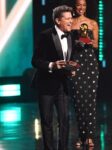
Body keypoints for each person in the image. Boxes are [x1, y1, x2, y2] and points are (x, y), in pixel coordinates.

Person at [31, 5, 74, 150]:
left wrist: (70, 69)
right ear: (57, 21)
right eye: (67, 18)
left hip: (62, 85)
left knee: (65, 121)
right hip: (46, 85)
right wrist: (52, 65)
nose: (70, 21)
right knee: (47, 121)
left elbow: (66, 59)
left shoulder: (70, 36)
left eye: (71, 18)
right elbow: (35, 60)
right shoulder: (45, 35)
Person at [70, 0, 99, 147]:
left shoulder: (92, 23)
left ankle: (89, 136)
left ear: (86, 7)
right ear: (75, 7)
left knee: (90, 101)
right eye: (78, 5)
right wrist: (75, 42)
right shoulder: (70, 23)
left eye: (84, 5)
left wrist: (88, 41)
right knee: (78, 101)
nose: (81, 8)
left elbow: (96, 45)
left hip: (90, 64)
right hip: (76, 63)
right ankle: (80, 135)